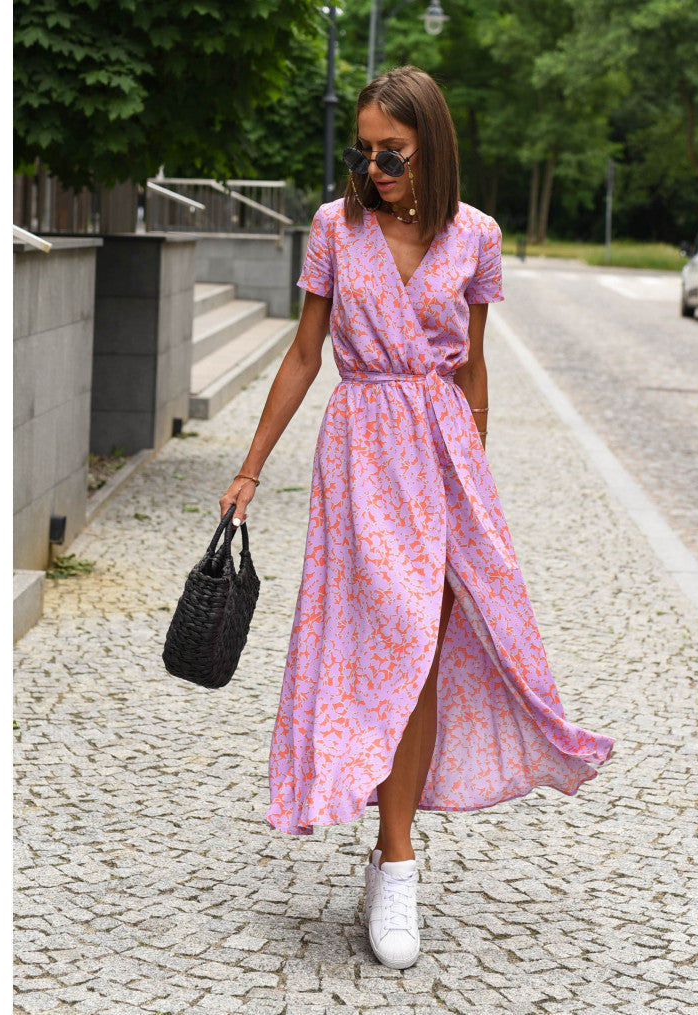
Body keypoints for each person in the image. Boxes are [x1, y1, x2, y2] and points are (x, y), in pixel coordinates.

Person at [219, 65, 614, 971]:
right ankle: (384, 841)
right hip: (360, 454)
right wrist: (249, 467)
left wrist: (474, 476)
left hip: (440, 458)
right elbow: (304, 353)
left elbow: (471, 368)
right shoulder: (335, 226)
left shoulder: (477, 236)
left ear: (430, 147)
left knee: (422, 649)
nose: (374, 169)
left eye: (391, 153)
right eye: (364, 152)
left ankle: (394, 860)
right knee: (384, 639)